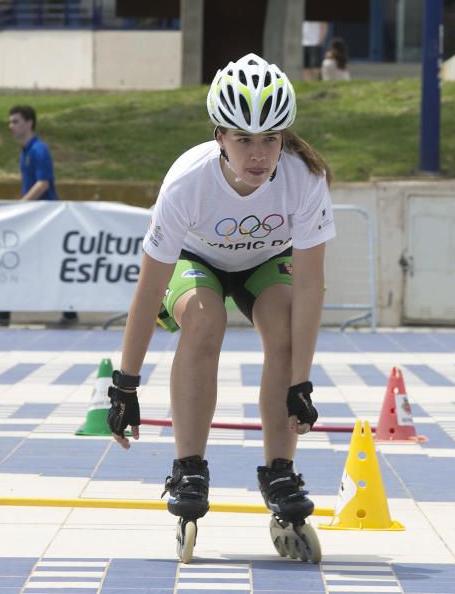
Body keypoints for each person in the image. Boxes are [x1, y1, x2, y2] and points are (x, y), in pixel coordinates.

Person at [106, 53, 334, 560]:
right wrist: (125, 383)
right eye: (243, 139)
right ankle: (189, 465)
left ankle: (280, 471)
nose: (259, 154)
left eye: (270, 139)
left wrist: (301, 382)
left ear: (284, 138)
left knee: (284, 328)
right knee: (205, 323)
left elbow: (312, 286)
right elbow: (147, 291)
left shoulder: (304, 177)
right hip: (198, 260)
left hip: (264, 262)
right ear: (219, 137)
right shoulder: (188, 181)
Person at [0, 105, 79, 327]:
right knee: (19, 260)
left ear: (29, 123)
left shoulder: (38, 150)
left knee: (43, 263)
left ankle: (69, 312)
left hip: (45, 217)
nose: (11, 126)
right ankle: (4, 311)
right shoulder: (26, 151)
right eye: (10, 121)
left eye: (15, 121)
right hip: (35, 216)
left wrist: (21, 207)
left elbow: (43, 183)